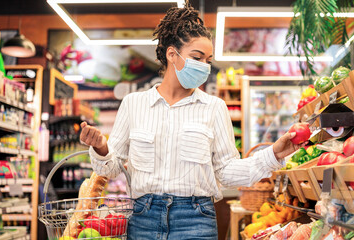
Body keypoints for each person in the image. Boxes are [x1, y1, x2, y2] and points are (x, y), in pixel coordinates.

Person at [80, 4, 306, 240]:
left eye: (208, 60)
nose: (204, 67)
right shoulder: (133, 104)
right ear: (171, 54)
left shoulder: (214, 108)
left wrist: (274, 154)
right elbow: (112, 167)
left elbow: (227, 171)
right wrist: (101, 147)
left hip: (196, 220)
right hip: (143, 218)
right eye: (197, 58)